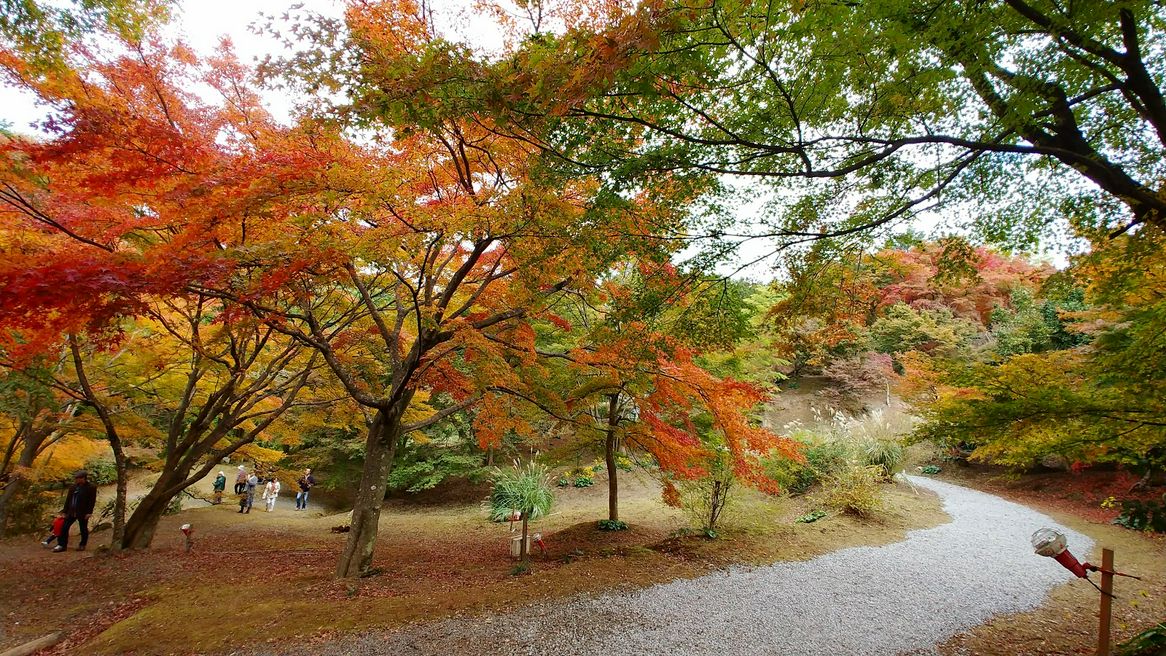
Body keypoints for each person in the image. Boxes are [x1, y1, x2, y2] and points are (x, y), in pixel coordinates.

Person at [53, 470, 97, 553]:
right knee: (64, 527)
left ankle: (82, 544)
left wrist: (89, 512)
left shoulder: (91, 487)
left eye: (78, 478)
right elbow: (68, 499)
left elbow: (92, 501)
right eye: (76, 478)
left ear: (83, 478)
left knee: (83, 528)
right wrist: (64, 511)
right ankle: (62, 545)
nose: (76, 480)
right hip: (71, 511)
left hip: (83, 512)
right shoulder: (73, 487)